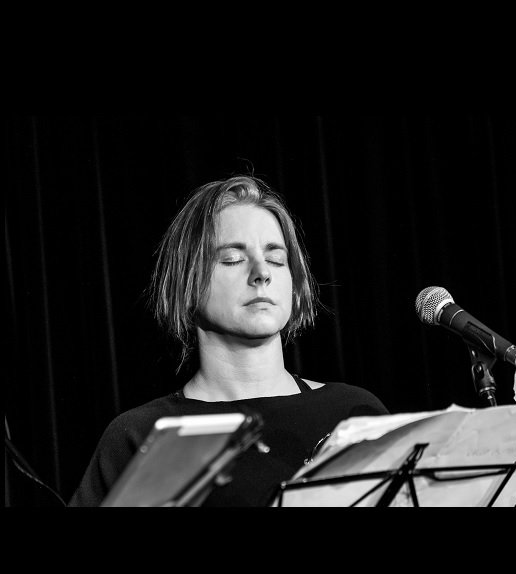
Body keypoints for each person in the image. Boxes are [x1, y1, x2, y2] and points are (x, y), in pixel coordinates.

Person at [68, 175, 389, 507]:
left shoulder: (353, 412)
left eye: (276, 259)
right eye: (233, 259)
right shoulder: (141, 435)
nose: (262, 272)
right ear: (187, 283)